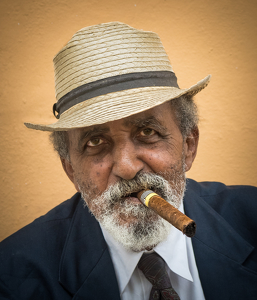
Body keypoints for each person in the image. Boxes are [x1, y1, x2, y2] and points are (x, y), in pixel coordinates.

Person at [0, 22, 256, 300]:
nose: (126, 167)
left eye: (148, 132)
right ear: (70, 169)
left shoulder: (251, 219)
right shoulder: (13, 277)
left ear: (188, 146)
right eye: (94, 142)